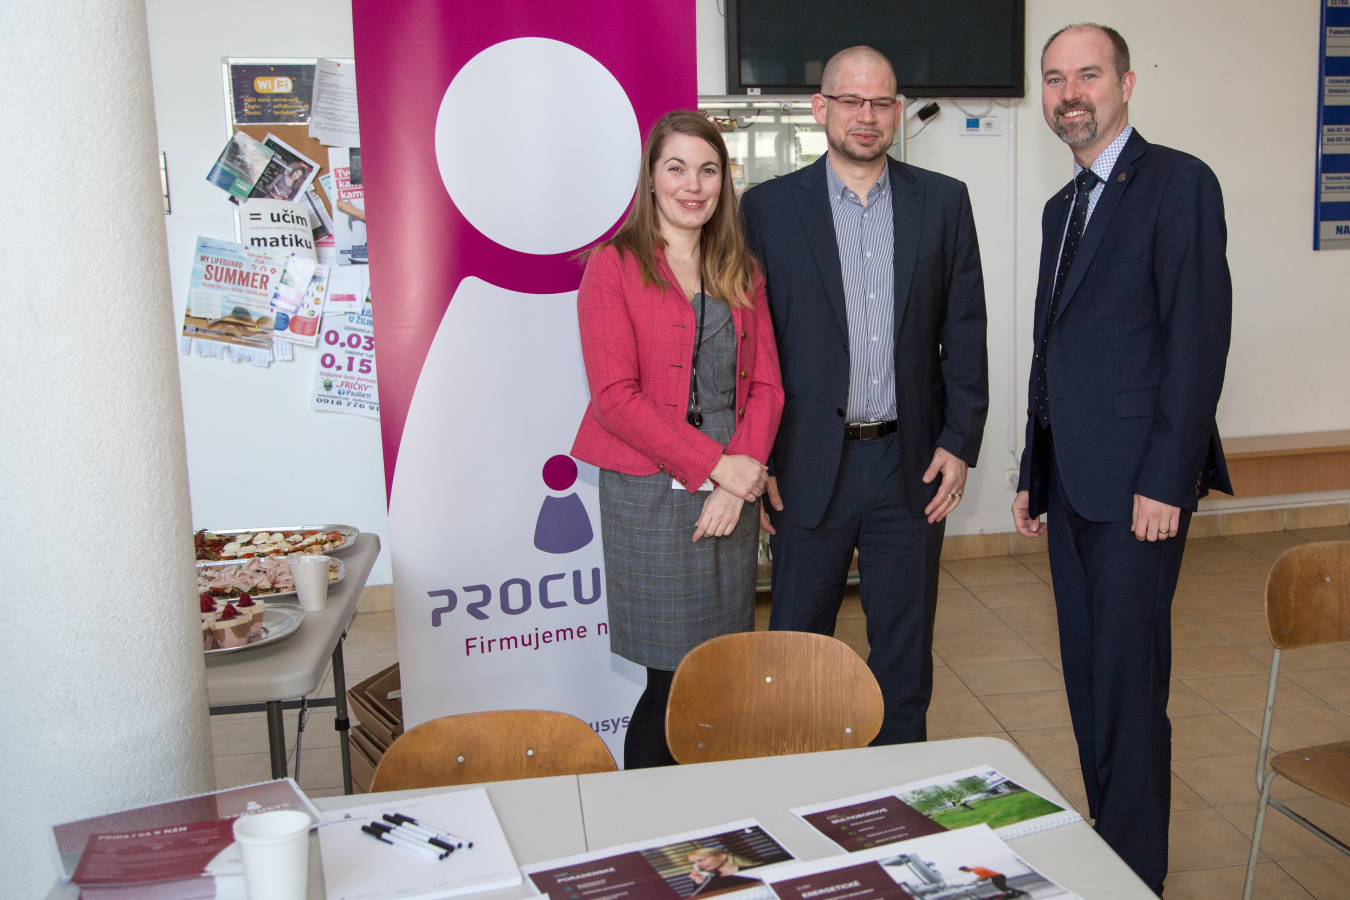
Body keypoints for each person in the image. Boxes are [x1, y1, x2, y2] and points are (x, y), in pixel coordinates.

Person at [1012, 24, 1232, 894]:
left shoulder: (1179, 183)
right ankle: (1109, 850)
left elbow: (1196, 342)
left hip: (1140, 489)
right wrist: (1032, 467)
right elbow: (1053, 350)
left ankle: (1136, 877)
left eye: (1088, 75)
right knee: (1090, 681)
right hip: (1071, 484)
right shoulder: (1060, 208)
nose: (1071, 93)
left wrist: (1167, 478)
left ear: (1126, 84)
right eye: (1055, 79)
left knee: (1131, 691)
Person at [740, 46, 988, 744]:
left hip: (911, 466)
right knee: (796, 655)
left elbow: (966, 329)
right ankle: (801, 792)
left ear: (897, 111)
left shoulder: (943, 202)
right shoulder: (766, 210)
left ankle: (895, 794)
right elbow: (752, 348)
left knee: (903, 662)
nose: (867, 116)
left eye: (880, 102)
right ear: (821, 108)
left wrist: (959, 442)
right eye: (851, 101)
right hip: (804, 465)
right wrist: (758, 459)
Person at [571, 110, 784, 768]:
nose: (693, 185)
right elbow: (614, 398)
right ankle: (647, 816)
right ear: (651, 178)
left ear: (724, 181)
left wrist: (738, 481)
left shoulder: (740, 269)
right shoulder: (612, 266)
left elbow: (768, 387)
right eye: (677, 168)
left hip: (731, 488)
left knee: (716, 672)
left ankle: (706, 813)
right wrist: (719, 468)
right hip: (648, 493)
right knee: (670, 680)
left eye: (708, 170)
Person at [686, 848, 759, 896]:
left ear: (722, 856)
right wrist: (699, 883)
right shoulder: (711, 881)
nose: (698, 865)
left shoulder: (753, 871)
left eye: (701, 860)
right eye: (694, 863)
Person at [957, 865, 1023, 898]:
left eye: (964, 871)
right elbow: (987, 875)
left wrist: (979, 880)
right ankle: (1015, 893)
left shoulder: (976, 871)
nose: (965, 872)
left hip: (998, 876)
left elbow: (986, 878)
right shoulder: (976, 868)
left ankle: (1018, 892)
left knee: (1002, 887)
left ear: (965, 869)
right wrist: (981, 878)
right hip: (996, 877)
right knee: (1002, 888)